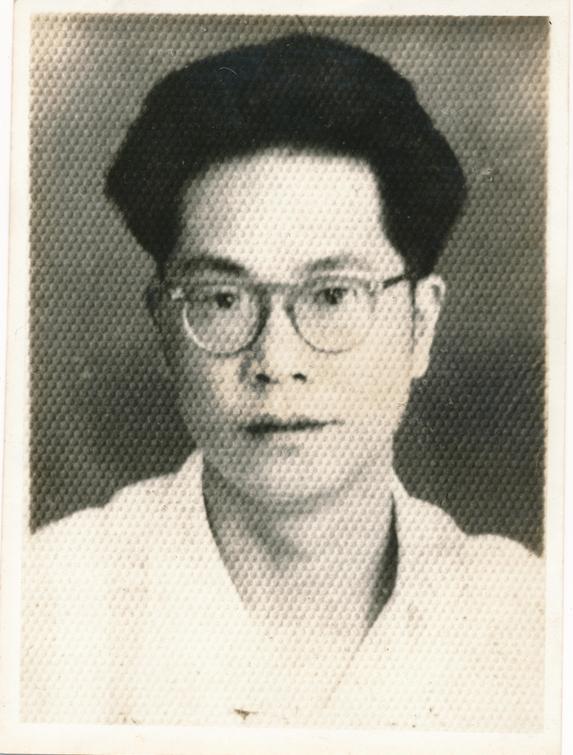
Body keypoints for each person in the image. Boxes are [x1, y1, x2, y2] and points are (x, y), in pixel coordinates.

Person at [22, 33, 543, 729]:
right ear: (165, 329)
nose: (275, 359)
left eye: (331, 295)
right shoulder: (42, 611)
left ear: (420, 325)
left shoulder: (529, 628)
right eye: (221, 299)